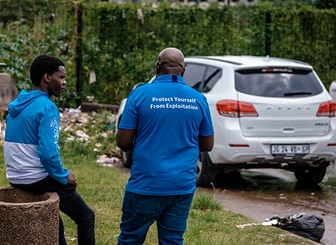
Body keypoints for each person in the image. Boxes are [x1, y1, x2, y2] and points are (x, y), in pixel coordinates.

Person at [117, 47, 214, 245]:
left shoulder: (140, 94)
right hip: (181, 186)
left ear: (157, 68)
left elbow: (123, 142)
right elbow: (207, 144)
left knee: (130, 239)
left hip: (145, 185)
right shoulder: (198, 99)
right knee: (172, 240)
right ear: (183, 71)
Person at [3, 55, 95, 245]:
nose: (64, 82)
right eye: (60, 77)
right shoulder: (46, 107)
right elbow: (48, 154)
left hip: (15, 176)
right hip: (36, 179)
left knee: (55, 223)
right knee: (86, 217)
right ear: (46, 77)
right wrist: (63, 176)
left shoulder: (18, 105)